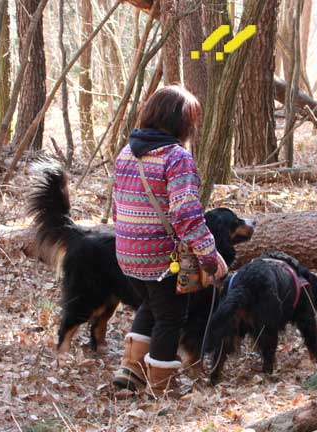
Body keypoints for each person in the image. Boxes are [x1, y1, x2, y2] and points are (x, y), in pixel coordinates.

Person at [111, 85, 227, 397]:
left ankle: (130, 372)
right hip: (163, 259)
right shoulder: (176, 158)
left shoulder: (126, 152)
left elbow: (116, 208)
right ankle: (160, 390)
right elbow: (187, 215)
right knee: (170, 317)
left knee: (151, 305)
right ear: (181, 122)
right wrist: (209, 256)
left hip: (126, 254)